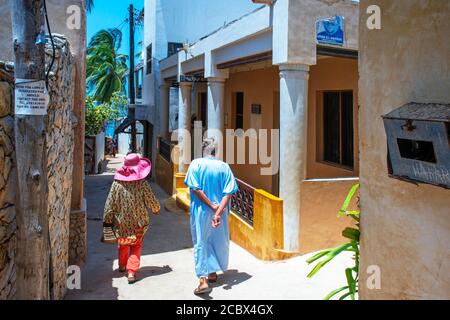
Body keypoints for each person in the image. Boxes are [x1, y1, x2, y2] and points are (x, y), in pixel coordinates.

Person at [184, 139, 239, 295]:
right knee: (217, 240)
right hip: (220, 212)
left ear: (203, 150)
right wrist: (218, 212)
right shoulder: (224, 166)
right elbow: (228, 192)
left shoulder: (196, 164)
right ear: (216, 151)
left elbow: (195, 189)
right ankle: (213, 272)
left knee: (201, 241)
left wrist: (211, 206)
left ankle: (203, 280)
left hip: (201, 211)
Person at [102, 154, 161, 284]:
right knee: (136, 245)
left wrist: (107, 218)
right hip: (139, 221)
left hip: (120, 221)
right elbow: (150, 199)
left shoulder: (117, 183)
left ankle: (122, 266)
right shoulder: (142, 183)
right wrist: (156, 209)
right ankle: (131, 272)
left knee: (123, 243)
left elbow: (110, 203)